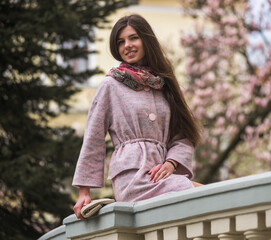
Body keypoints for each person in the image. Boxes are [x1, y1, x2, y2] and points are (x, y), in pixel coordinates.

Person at [72, 14, 202, 220]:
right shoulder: (110, 85)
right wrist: (84, 192)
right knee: (202, 194)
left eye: (133, 38)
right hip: (132, 177)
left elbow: (183, 135)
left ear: (146, 40)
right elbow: (94, 138)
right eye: (121, 42)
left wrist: (171, 164)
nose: (127, 46)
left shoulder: (165, 85)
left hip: (163, 174)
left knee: (203, 198)